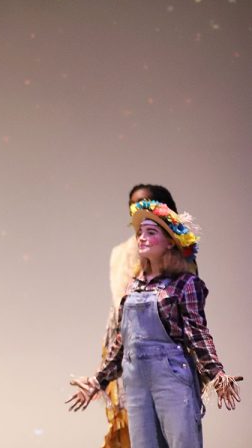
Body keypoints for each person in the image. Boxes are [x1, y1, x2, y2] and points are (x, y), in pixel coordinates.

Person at [67, 200, 242, 447]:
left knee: (183, 442)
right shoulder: (133, 285)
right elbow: (123, 340)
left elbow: (197, 333)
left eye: (151, 232)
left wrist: (216, 373)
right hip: (136, 381)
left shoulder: (184, 284)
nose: (142, 238)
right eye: (140, 233)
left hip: (171, 377)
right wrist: (99, 380)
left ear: (171, 241)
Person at [100, 184, 180, 448]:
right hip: (125, 344)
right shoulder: (119, 252)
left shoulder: (175, 251)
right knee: (131, 426)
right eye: (133, 205)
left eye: (145, 204)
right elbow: (119, 308)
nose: (137, 210)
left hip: (165, 349)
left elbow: (184, 312)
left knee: (170, 428)